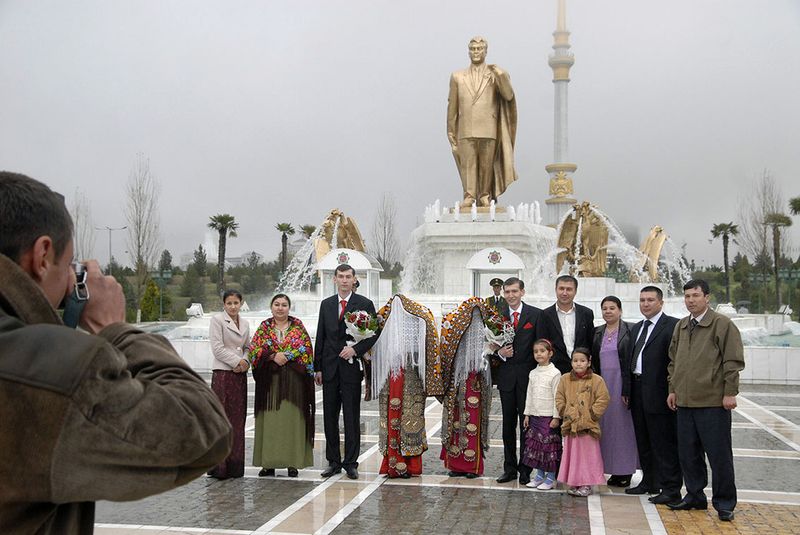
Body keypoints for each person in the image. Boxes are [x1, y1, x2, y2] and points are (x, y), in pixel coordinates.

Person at [0, 171, 231, 534]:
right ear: (42, 255)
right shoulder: (51, 371)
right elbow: (203, 431)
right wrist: (115, 328)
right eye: (69, 264)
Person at [667, 280, 744, 522]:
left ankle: (724, 503)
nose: (691, 300)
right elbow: (673, 361)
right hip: (685, 402)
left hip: (712, 402)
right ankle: (694, 496)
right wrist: (673, 389)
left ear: (707, 297)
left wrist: (730, 392)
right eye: (687, 296)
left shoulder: (722, 324)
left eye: (696, 295)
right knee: (688, 454)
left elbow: (732, 361)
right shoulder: (681, 325)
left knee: (719, 456)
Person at [315, 264, 377, 480]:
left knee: (351, 416)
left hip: (351, 368)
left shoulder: (365, 304)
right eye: (340, 276)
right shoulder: (326, 304)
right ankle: (333, 461)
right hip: (329, 368)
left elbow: (373, 334)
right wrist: (317, 367)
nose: (344, 280)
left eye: (348, 277)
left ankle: (351, 462)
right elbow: (321, 336)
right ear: (334, 279)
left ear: (354, 279)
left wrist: (355, 349)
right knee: (330, 417)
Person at [370, 295, 442, 478]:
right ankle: (393, 463)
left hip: (410, 375)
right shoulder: (383, 319)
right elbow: (371, 344)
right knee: (391, 416)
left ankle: (410, 465)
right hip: (392, 375)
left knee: (411, 416)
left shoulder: (419, 319)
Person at [624, 286, 682, 506]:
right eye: (642, 300)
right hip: (637, 391)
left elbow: (676, 361)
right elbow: (631, 361)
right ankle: (649, 481)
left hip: (660, 393)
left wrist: (673, 390)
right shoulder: (637, 328)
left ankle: (671, 488)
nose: (645, 304)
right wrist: (627, 390)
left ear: (661, 302)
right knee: (643, 440)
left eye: (650, 300)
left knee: (663, 442)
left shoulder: (673, 326)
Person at [248, 294, 315, 477]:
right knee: (270, 422)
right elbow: (254, 350)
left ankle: (292, 462)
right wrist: (272, 356)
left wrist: (288, 356)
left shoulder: (298, 326)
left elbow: (306, 348)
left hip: (294, 385)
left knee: (292, 421)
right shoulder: (264, 327)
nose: (280, 308)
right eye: (277, 304)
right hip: (270, 384)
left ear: (289, 307)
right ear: (271, 307)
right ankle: (268, 463)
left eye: (284, 305)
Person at [447, 36, 517, 208]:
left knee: (487, 165)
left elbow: (508, 96)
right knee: (468, 165)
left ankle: (485, 195)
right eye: (472, 49)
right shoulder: (457, 76)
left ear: (486, 51)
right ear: (468, 52)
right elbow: (452, 106)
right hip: (466, 128)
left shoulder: (494, 75)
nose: (476, 52)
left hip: (488, 128)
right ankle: (469, 196)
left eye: (479, 49)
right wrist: (450, 132)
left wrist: (501, 75)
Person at [494, 277, 541, 485]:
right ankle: (509, 469)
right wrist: (500, 353)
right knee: (507, 426)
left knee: (526, 425)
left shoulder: (536, 315)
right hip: (506, 379)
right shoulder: (497, 316)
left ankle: (525, 469)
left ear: (522, 292)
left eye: (514, 291)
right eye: (507, 292)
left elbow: (541, 345)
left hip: (528, 379)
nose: (511, 295)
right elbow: (489, 347)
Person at [439, 297, 493, 478]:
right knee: (455, 421)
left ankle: (472, 466)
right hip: (457, 381)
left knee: (473, 422)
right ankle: (455, 465)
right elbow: (446, 353)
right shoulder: (454, 328)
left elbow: (489, 356)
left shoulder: (488, 329)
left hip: (476, 379)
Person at [590, 295, 637, 488]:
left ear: (620, 310)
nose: (608, 311)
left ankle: (624, 470)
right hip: (602, 385)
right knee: (605, 428)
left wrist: (628, 388)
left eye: (612, 308)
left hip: (621, 385)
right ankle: (609, 468)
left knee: (623, 429)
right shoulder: (597, 332)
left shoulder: (631, 330)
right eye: (605, 308)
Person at [207, 289, 251, 479]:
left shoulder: (246, 323)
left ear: (241, 303)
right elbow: (217, 349)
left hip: (239, 375)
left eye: (236, 303)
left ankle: (235, 465)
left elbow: (248, 347)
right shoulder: (217, 321)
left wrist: (246, 362)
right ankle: (220, 466)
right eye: (229, 303)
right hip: (223, 374)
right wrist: (237, 361)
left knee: (237, 419)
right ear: (224, 304)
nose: (233, 307)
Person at [556, 348, 610, 497]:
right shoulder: (565, 379)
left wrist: (592, 414)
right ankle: (574, 481)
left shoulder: (597, 380)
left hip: (588, 426)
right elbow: (559, 397)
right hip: (571, 424)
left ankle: (587, 483)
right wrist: (564, 411)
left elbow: (603, 398)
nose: (578, 364)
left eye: (582, 360)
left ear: (589, 362)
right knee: (573, 455)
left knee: (588, 456)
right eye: (575, 361)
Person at [521, 339, 562, 490]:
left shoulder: (555, 373)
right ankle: (539, 476)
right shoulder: (533, 373)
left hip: (548, 417)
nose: (538, 354)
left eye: (542, 351)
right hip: (534, 416)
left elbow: (557, 396)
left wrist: (556, 417)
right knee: (536, 448)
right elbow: (529, 394)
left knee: (548, 448)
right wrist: (527, 414)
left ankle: (550, 478)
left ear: (550, 353)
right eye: (536, 351)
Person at [536, 275, 595, 374]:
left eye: (569, 289)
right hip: (554, 370)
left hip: (581, 369)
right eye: (561, 289)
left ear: (575, 291)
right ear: (556, 290)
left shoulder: (586, 313)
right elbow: (542, 343)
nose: (564, 293)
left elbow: (590, 341)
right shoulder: (544, 315)